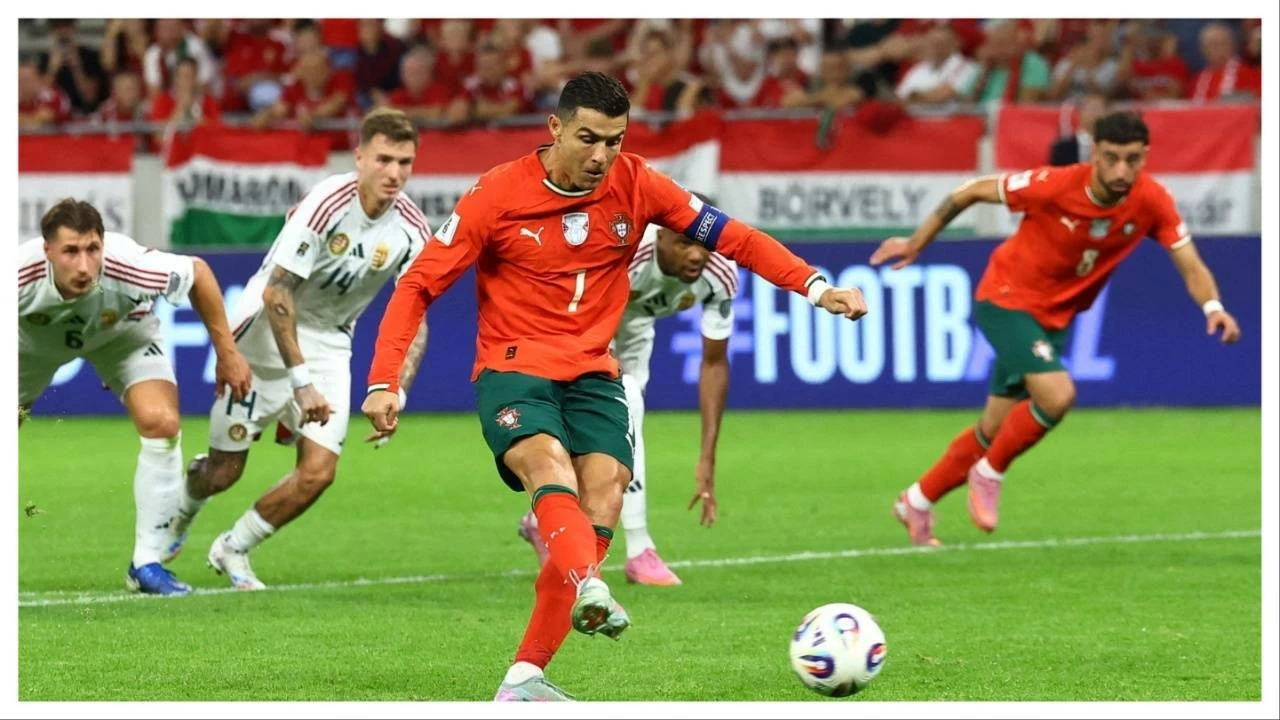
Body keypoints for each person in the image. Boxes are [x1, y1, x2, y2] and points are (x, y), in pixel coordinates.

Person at [361, 71, 868, 702]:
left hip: (594, 371)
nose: (602, 156)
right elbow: (418, 285)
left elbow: (732, 238)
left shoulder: (638, 181)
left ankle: (524, 678)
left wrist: (816, 287)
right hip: (514, 367)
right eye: (588, 138)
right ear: (555, 129)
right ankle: (589, 585)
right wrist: (384, 379)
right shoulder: (496, 194)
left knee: (605, 497)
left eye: (615, 140)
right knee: (549, 468)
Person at [871, 112, 1242, 547]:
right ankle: (989, 472)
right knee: (1058, 395)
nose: (1122, 170)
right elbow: (971, 191)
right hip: (1005, 300)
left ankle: (916, 501)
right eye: (1112, 158)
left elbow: (1191, 263)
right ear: (1094, 153)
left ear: (1145, 158)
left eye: (1133, 160)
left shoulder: (1151, 200)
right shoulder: (1055, 185)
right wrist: (918, 242)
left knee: (994, 429)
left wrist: (1213, 306)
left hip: (1054, 318)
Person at [168, 108, 432, 590]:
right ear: (359, 157)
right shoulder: (328, 203)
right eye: (384, 159)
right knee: (223, 472)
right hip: (264, 333)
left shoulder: (412, 229)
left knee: (318, 474)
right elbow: (276, 293)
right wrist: (302, 385)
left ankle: (233, 547)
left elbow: (414, 316)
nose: (394, 173)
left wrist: (396, 390)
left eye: (405, 162)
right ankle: (183, 510)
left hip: (331, 340)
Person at [18, 199, 252, 596]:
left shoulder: (126, 265)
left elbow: (197, 272)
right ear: (48, 251)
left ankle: (147, 563)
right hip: (31, 348)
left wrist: (228, 354)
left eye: (92, 249)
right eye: (71, 251)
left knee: (162, 423)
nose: (84, 265)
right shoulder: (18, 275)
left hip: (121, 336)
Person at [516, 210, 739, 586]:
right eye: (685, 243)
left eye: (704, 245)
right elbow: (571, 303)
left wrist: (706, 460)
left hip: (635, 326)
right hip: (575, 320)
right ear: (660, 238)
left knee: (620, 429)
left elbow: (714, 365)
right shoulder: (628, 252)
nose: (697, 255)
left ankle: (543, 524)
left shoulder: (719, 274)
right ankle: (639, 550)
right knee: (626, 404)